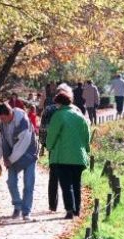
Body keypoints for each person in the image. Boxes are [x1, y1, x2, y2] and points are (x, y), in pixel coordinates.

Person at [46, 83, 90, 219]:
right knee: (77, 184)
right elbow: (86, 135)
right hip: (79, 157)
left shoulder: (59, 116)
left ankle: (70, 210)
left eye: (57, 104)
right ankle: (77, 210)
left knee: (66, 185)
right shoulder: (79, 115)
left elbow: (52, 134)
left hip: (63, 157)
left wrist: (49, 146)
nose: (56, 106)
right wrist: (86, 149)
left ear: (59, 103)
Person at [0, 103, 38, 220]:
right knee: (11, 182)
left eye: (3, 118)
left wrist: (10, 160)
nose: (2, 120)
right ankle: (17, 206)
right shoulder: (2, 125)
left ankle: (26, 211)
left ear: (10, 114)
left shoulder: (23, 121)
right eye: (0, 118)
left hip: (29, 154)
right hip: (12, 156)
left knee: (28, 184)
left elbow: (22, 145)